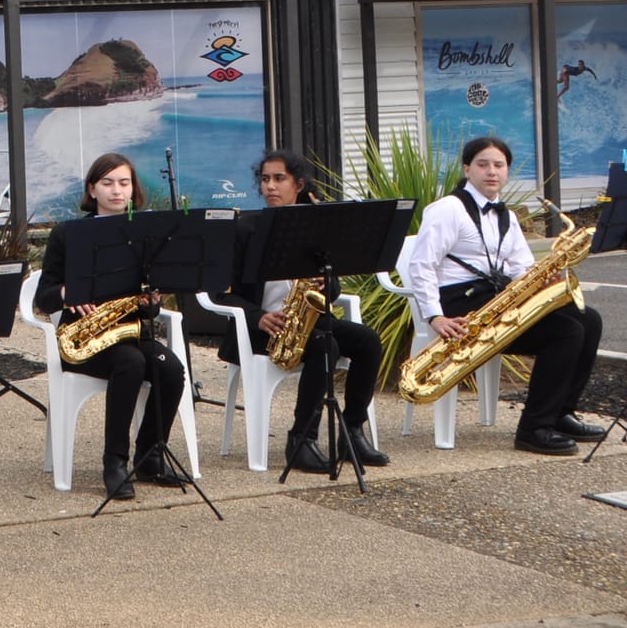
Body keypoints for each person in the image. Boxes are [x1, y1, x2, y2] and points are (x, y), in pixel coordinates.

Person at [403, 135, 606, 455]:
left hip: (495, 298)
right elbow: (422, 265)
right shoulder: (447, 209)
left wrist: (543, 278)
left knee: (587, 319)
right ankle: (533, 428)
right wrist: (435, 316)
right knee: (565, 332)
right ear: (467, 169)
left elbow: (520, 267)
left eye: (499, 165)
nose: (491, 172)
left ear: (507, 171)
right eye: (483, 164)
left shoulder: (505, 216)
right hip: (460, 306)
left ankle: (560, 414)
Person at [213, 151, 388, 472]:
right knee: (326, 345)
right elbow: (219, 293)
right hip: (261, 331)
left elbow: (332, 291)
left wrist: (327, 281)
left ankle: (351, 432)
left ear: (299, 184)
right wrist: (257, 317)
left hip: (308, 324)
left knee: (367, 341)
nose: (270, 187)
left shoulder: (315, 227)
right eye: (265, 179)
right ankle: (302, 440)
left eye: (279, 179)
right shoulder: (244, 229)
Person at [34, 152, 189, 499]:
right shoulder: (68, 234)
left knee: (172, 369)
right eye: (107, 183)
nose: (116, 191)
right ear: (92, 189)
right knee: (130, 363)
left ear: (133, 189)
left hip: (129, 334)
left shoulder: (145, 235)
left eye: (124, 183)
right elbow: (43, 298)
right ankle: (115, 463)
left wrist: (152, 303)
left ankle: (150, 456)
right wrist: (64, 292)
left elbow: (148, 309)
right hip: (83, 340)